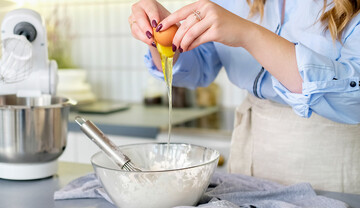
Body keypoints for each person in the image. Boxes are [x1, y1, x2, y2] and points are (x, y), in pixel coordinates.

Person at [129, 0, 360, 193]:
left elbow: (354, 99)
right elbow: (197, 67)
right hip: (251, 154)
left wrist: (248, 34)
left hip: (330, 160)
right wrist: (162, 38)